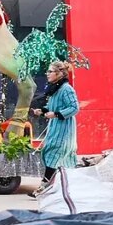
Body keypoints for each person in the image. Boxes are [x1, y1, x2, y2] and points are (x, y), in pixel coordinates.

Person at [29, 60, 80, 198]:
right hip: (55, 126)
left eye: (50, 71)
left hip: (64, 127)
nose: (47, 74)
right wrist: (43, 110)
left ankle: (44, 187)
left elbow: (74, 108)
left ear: (59, 74)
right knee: (55, 154)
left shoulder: (66, 89)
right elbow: (53, 106)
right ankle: (65, 186)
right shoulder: (55, 88)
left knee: (54, 153)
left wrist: (56, 114)